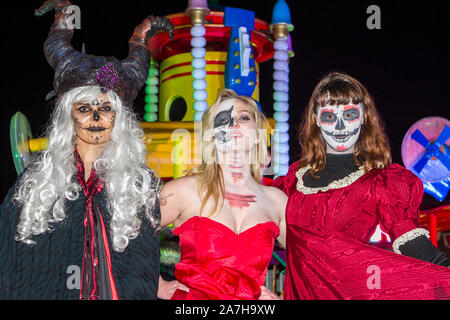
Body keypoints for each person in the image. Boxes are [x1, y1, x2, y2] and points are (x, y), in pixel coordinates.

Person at [0, 0, 174, 299]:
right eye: (84, 108)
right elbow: (15, 264)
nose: (95, 118)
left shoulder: (138, 185)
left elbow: (143, 267)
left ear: (118, 118)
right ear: (69, 115)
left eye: (105, 108)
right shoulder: (36, 182)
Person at [272, 71, 450, 300]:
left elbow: (415, 245)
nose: (339, 126)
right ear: (315, 119)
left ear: (365, 116)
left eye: (350, 114)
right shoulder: (292, 181)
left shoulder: (379, 183)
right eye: (328, 116)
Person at [157, 89, 287, 300]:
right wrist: (157, 284)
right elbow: (126, 237)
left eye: (243, 117)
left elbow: (307, 261)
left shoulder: (277, 200)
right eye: (223, 119)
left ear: (257, 135)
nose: (233, 124)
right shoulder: (182, 190)